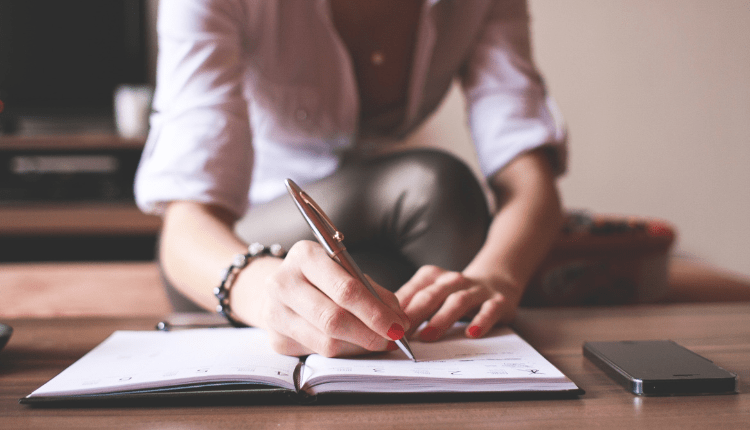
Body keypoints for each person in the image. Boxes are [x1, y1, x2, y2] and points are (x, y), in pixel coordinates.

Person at [134, 0, 567, 358]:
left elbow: (528, 175)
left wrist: (498, 277)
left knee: (412, 281)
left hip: (380, 244)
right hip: (236, 266)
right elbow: (185, 228)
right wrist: (266, 293)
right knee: (436, 188)